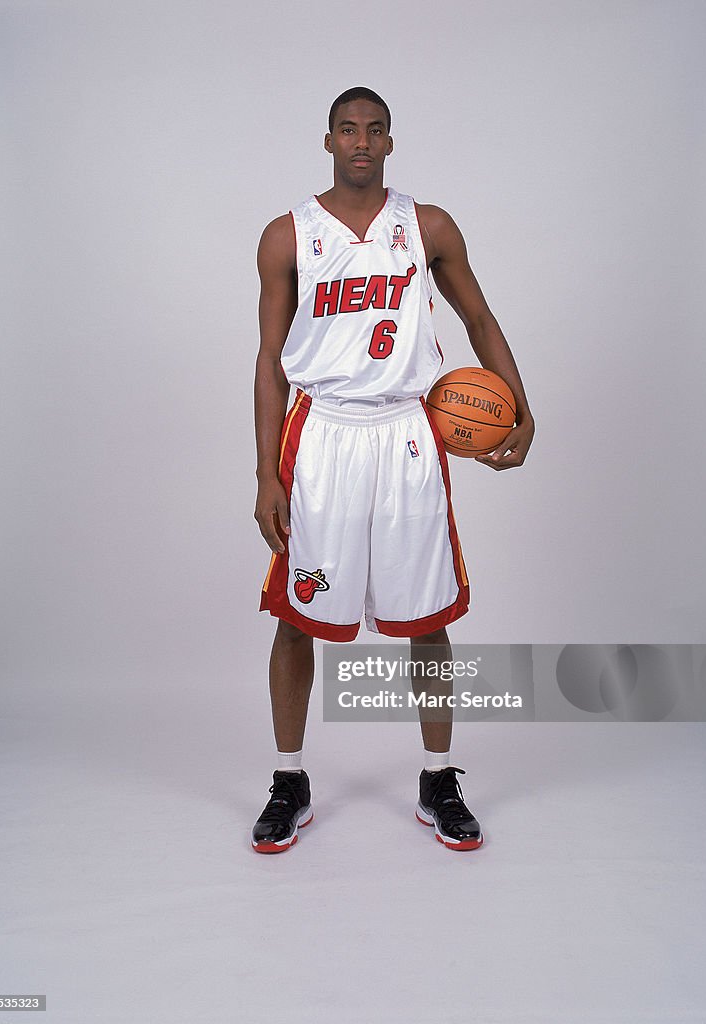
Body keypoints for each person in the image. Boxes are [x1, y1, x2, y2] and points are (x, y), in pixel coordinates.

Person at [252, 87, 534, 853]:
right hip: (321, 438)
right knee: (295, 615)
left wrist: (520, 406)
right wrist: (265, 475)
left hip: (408, 432)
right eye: (347, 129)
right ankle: (289, 780)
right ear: (327, 139)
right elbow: (271, 364)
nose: (360, 142)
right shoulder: (287, 236)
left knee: (429, 615)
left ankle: (437, 778)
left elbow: (478, 318)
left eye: (373, 130)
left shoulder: (428, 226)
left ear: (389, 140)